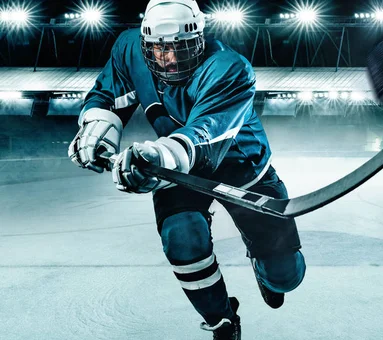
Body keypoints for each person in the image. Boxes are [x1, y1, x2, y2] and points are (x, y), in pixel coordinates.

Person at [67, 0, 306, 338]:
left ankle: (268, 267)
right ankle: (222, 319)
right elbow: (108, 96)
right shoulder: (129, 49)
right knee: (181, 241)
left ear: (199, 39)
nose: (169, 59)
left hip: (241, 168)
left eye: (179, 48)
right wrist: (96, 129)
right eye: (159, 50)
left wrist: (155, 158)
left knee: (286, 277)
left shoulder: (229, 67)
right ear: (145, 44)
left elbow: (206, 135)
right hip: (176, 169)